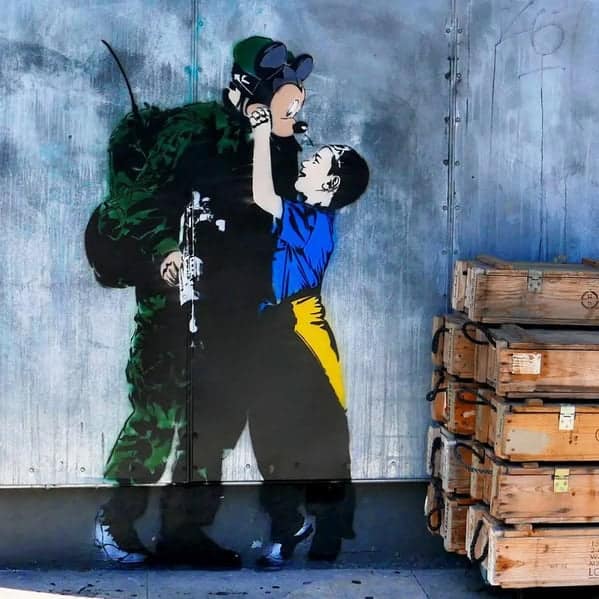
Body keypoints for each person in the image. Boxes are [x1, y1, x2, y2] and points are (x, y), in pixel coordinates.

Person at [86, 36, 312, 567]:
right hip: (171, 300)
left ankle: (184, 532)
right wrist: (165, 250)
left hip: (232, 307)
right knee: (158, 411)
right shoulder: (191, 131)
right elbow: (135, 199)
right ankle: (117, 518)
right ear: (243, 87)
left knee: (210, 422)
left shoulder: (278, 143)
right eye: (274, 89)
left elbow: (277, 214)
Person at [247, 106, 370, 569]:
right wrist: (282, 138)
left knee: (318, 437)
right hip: (273, 333)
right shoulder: (304, 214)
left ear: (330, 183)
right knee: (271, 435)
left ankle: (319, 529)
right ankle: (292, 526)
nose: (307, 162)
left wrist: (262, 133)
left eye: (316, 161)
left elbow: (264, 194)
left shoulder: (313, 222)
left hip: (301, 338)